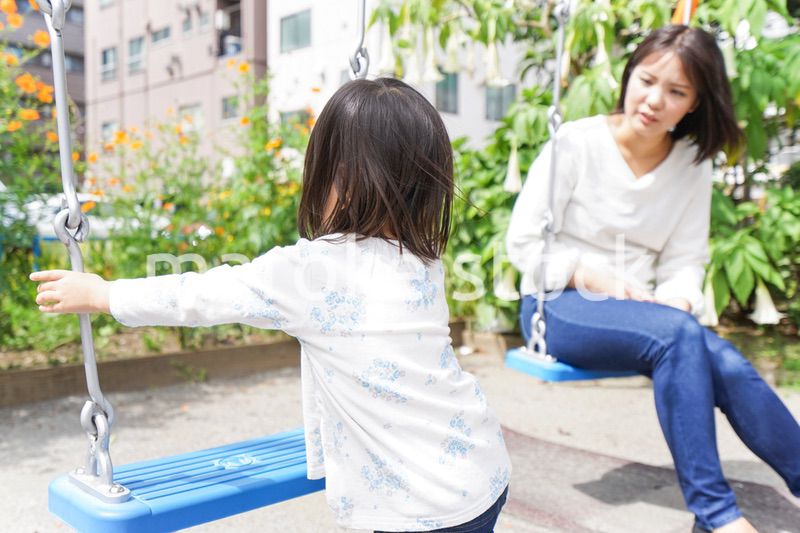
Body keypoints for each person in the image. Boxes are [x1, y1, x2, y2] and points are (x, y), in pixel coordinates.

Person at [31, 78, 511, 533]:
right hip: (481, 472)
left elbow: (197, 296)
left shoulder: (309, 271)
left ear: (332, 175)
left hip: (415, 508)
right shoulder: (425, 261)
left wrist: (103, 294)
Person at [506, 25, 799, 533]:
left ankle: (725, 512)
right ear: (629, 75)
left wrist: (678, 301)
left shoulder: (691, 165)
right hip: (559, 304)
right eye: (646, 80)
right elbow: (523, 247)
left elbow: (686, 259)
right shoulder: (575, 143)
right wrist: (587, 273)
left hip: (648, 312)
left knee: (715, 356)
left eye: (676, 92)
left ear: (695, 103)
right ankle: (717, 514)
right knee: (687, 339)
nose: (653, 100)